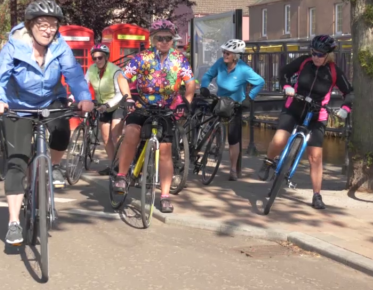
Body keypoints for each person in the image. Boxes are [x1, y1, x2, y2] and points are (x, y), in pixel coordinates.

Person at [0, 0, 93, 246]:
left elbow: (74, 75)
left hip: (51, 101)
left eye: (53, 25)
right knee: (17, 163)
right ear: (31, 25)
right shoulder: (14, 47)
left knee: (63, 130)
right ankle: (13, 222)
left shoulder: (60, 47)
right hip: (19, 107)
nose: (48, 29)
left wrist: (84, 98)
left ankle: (50, 166)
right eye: (43, 24)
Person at [256, 34, 352, 210]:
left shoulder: (334, 71)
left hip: (317, 114)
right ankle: (268, 162)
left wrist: (345, 109)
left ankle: (317, 195)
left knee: (315, 157)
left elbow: (350, 93)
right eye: (313, 53)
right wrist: (287, 86)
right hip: (295, 106)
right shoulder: (303, 62)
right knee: (279, 140)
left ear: (328, 55)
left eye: (320, 55)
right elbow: (284, 72)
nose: (315, 57)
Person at [112, 19, 195, 213]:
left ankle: (165, 196)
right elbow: (122, 76)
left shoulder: (180, 59)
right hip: (142, 105)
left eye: (168, 38)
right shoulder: (142, 57)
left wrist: (186, 101)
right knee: (132, 131)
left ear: (172, 40)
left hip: (167, 108)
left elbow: (190, 83)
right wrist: (128, 98)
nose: (164, 41)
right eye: (160, 38)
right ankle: (122, 176)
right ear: (152, 39)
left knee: (165, 151)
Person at [199, 39, 264, 180]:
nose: (224, 55)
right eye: (223, 52)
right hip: (221, 101)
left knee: (234, 138)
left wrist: (250, 97)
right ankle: (206, 148)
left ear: (235, 55)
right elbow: (208, 75)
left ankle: (233, 170)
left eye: (227, 53)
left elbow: (260, 82)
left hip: (235, 105)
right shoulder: (220, 64)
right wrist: (204, 86)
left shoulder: (244, 70)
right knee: (211, 126)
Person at [85, 43, 131, 175]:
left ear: (106, 57)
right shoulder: (91, 70)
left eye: (100, 57)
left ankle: (123, 167)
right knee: (105, 138)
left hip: (117, 105)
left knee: (116, 135)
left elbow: (120, 93)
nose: (97, 60)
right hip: (102, 106)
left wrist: (107, 105)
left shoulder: (115, 71)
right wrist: (72, 98)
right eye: (94, 58)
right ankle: (113, 166)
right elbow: (83, 85)